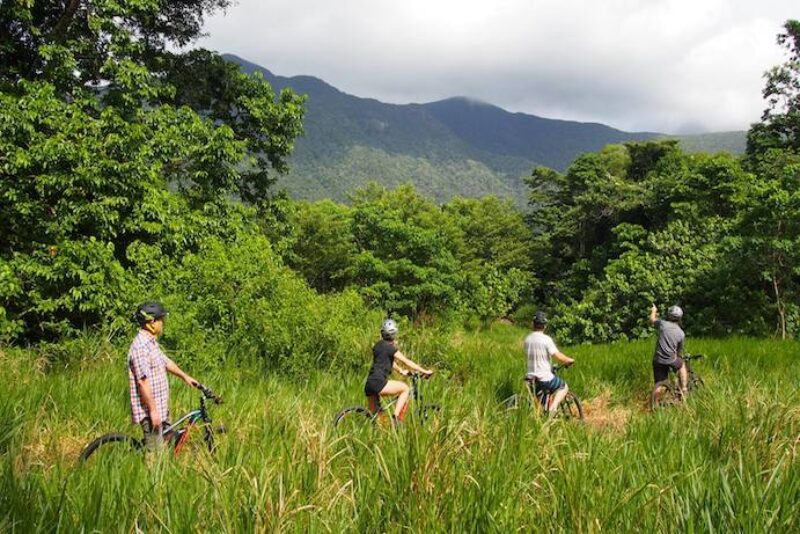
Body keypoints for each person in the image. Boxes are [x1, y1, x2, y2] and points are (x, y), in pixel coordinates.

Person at [128, 301, 201, 449]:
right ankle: (149, 470)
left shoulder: (151, 343)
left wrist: (185, 376)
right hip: (150, 412)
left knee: (168, 444)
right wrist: (154, 412)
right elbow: (143, 382)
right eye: (161, 320)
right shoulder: (140, 348)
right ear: (151, 323)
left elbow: (165, 362)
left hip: (160, 408)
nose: (163, 323)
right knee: (156, 457)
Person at [364, 319, 433, 424]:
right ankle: (395, 418)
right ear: (394, 334)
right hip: (379, 382)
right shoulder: (391, 348)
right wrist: (425, 371)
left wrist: (400, 370)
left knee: (378, 419)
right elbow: (407, 361)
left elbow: (387, 361)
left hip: (369, 384)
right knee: (405, 389)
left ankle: (382, 435)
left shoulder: (377, 346)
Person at [524, 311, 575, 415]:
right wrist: (568, 360)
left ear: (533, 324)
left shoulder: (527, 339)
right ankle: (553, 407)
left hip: (530, 379)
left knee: (540, 405)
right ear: (544, 326)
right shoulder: (546, 339)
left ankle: (543, 415)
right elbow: (557, 355)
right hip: (544, 378)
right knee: (563, 386)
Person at [649, 303, 687, 395]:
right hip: (671, 360)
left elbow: (652, 320)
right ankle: (684, 389)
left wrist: (654, 311)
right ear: (679, 318)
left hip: (658, 359)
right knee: (682, 365)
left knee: (659, 383)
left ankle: (655, 403)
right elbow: (679, 351)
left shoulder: (662, 324)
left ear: (668, 315)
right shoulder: (681, 333)